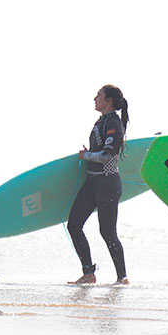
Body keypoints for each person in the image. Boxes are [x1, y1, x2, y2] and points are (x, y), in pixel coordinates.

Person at [67, 85, 129, 285]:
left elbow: (109, 154)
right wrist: (90, 154)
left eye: (99, 95)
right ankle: (89, 273)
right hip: (93, 182)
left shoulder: (113, 122)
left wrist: (88, 155)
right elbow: (100, 150)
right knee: (74, 225)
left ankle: (122, 278)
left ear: (109, 100)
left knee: (107, 232)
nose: (95, 98)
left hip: (107, 183)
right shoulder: (101, 121)